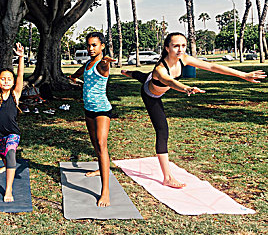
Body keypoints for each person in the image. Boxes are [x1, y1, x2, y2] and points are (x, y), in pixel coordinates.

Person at [122, 32, 266, 188]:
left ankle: (129, 72)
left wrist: (243, 75)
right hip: (151, 95)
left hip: (153, 81)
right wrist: (186, 88)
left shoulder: (184, 59)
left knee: (143, 76)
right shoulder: (160, 69)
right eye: (176, 46)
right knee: (162, 129)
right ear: (167, 48)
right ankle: (168, 177)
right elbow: (170, 81)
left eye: (183, 46)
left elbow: (211, 66)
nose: (180, 49)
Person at [69, 32, 116, 207]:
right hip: (88, 110)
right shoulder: (88, 63)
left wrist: (106, 62)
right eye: (89, 45)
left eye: (94, 45)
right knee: (95, 145)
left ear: (102, 46)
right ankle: (100, 168)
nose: (90, 48)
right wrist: (73, 77)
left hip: (102, 110)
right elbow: (80, 71)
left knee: (102, 145)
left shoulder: (102, 65)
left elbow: (104, 66)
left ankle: (105, 191)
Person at [0, 39, 25, 202]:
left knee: (10, 154)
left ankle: (8, 189)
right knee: (4, 156)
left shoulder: (15, 95)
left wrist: (21, 58)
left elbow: (21, 76)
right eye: (3, 79)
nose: (6, 81)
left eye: (9, 79)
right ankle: (5, 165)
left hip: (12, 134)